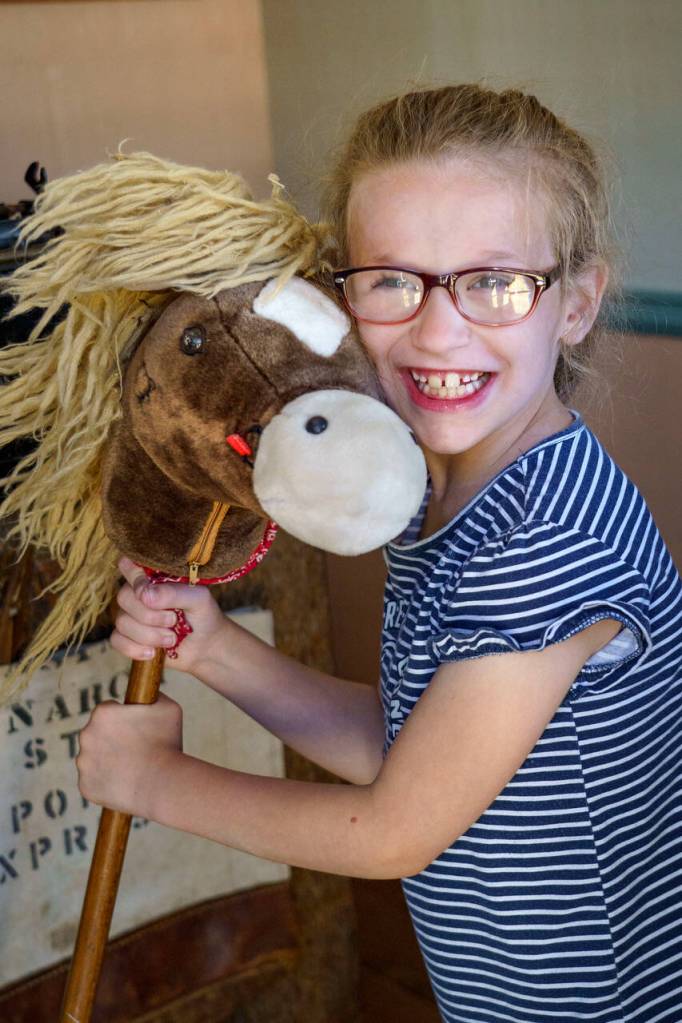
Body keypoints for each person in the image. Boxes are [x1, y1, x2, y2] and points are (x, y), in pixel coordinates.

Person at [76, 84, 682, 1022]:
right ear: (341, 288)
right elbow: (402, 752)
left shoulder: (548, 537)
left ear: (575, 303)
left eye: (493, 282)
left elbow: (397, 828)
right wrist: (218, 651)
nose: (439, 330)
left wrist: (159, 783)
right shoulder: (436, 494)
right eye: (393, 279)